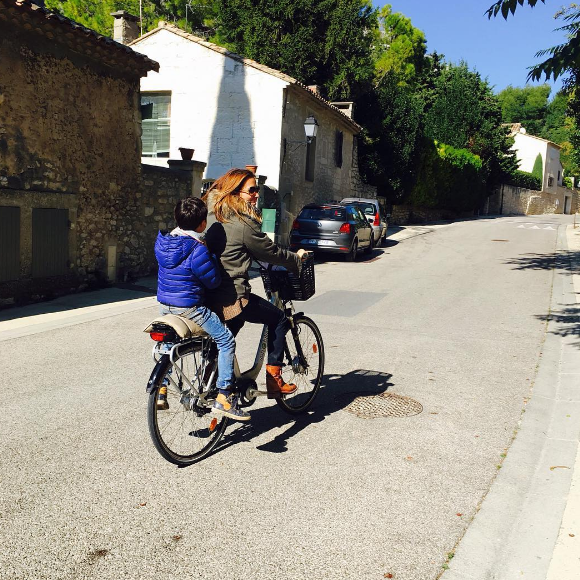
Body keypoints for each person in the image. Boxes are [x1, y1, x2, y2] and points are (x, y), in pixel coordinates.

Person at [203, 168, 307, 399]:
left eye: (257, 190)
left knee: (232, 328)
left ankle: (210, 376)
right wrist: (296, 260)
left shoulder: (213, 214)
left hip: (208, 292)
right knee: (279, 319)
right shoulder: (242, 223)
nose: (256, 194)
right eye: (251, 190)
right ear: (235, 192)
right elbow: (270, 252)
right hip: (232, 295)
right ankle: (274, 380)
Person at [155, 196, 250, 421]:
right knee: (226, 339)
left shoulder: (164, 242)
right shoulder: (197, 249)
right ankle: (225, 396)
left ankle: (161, 388)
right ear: (202, 224)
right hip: (190, 307)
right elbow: (213, 281)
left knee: (169, 345)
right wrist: (213, 257)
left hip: (165, 305)